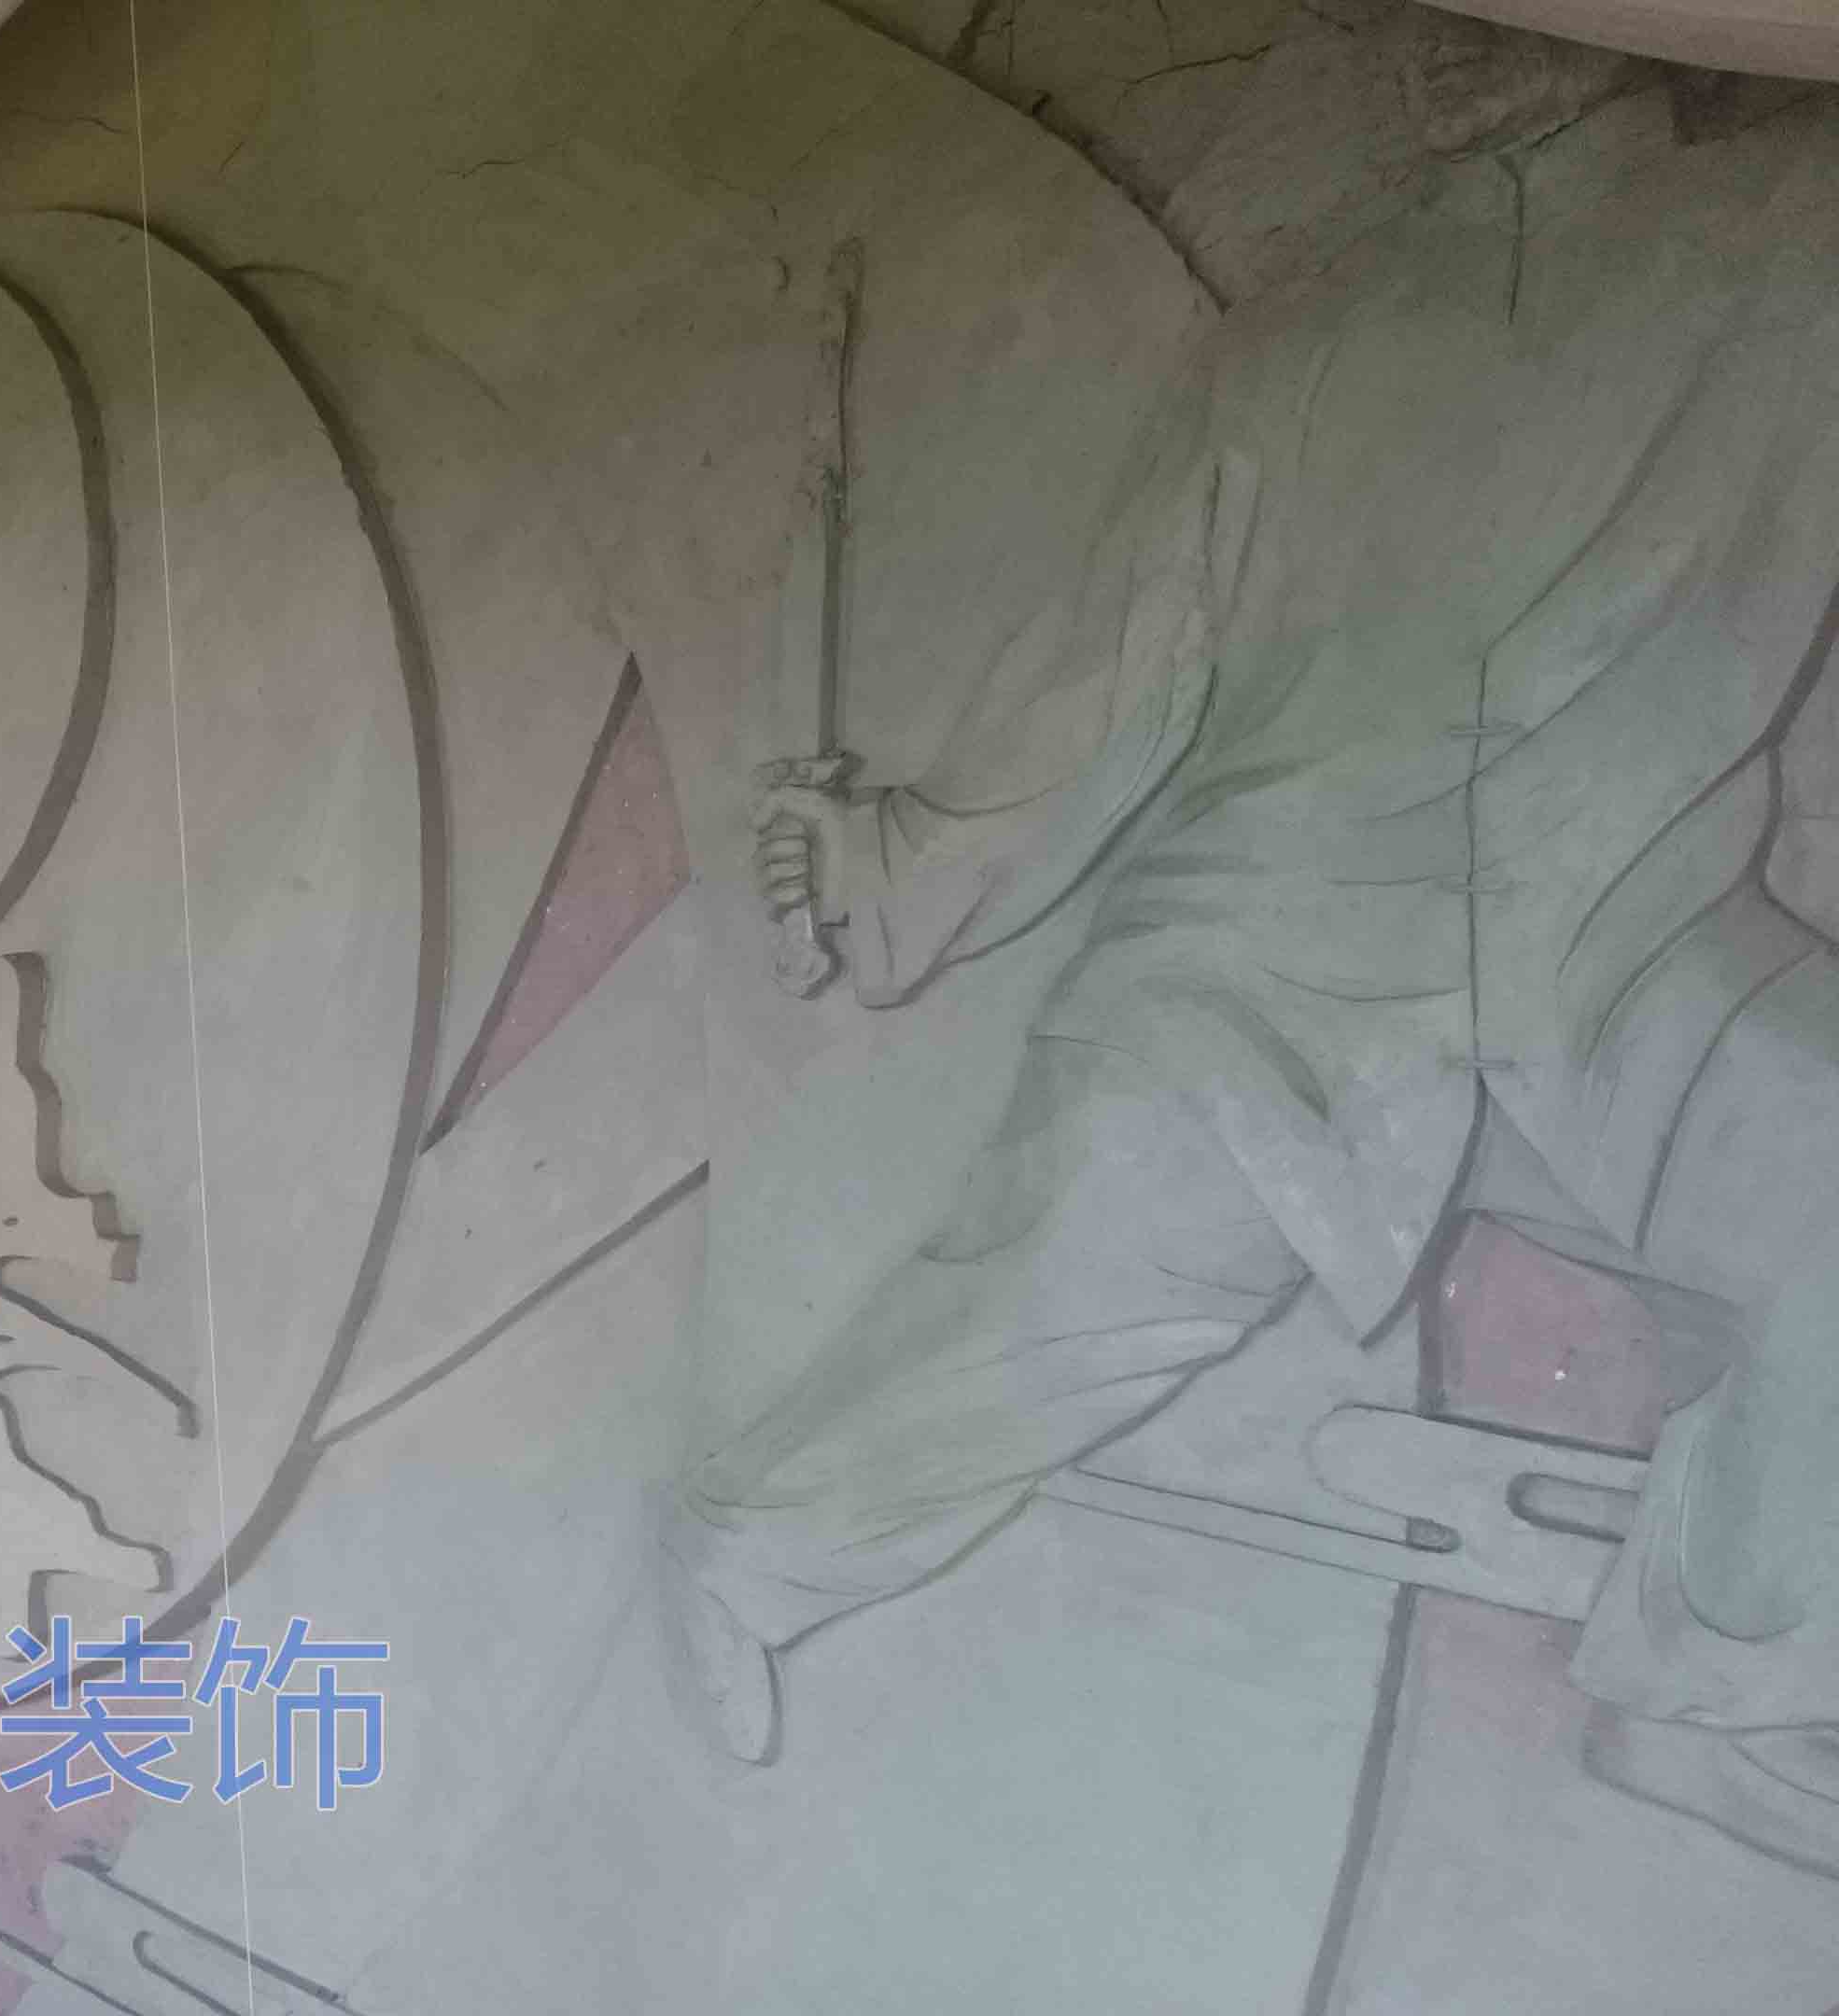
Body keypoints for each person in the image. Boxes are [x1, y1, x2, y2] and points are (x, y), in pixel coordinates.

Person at [667, 128, 1839, 1872]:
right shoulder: (1334, 322)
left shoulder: (1790, 251)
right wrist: (892, 856)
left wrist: (890, 855)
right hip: (1276, 950)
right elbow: (1118, 674)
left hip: (1614, 942)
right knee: (1051, 1300)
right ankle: (751, 1551)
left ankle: (1724, 1684)